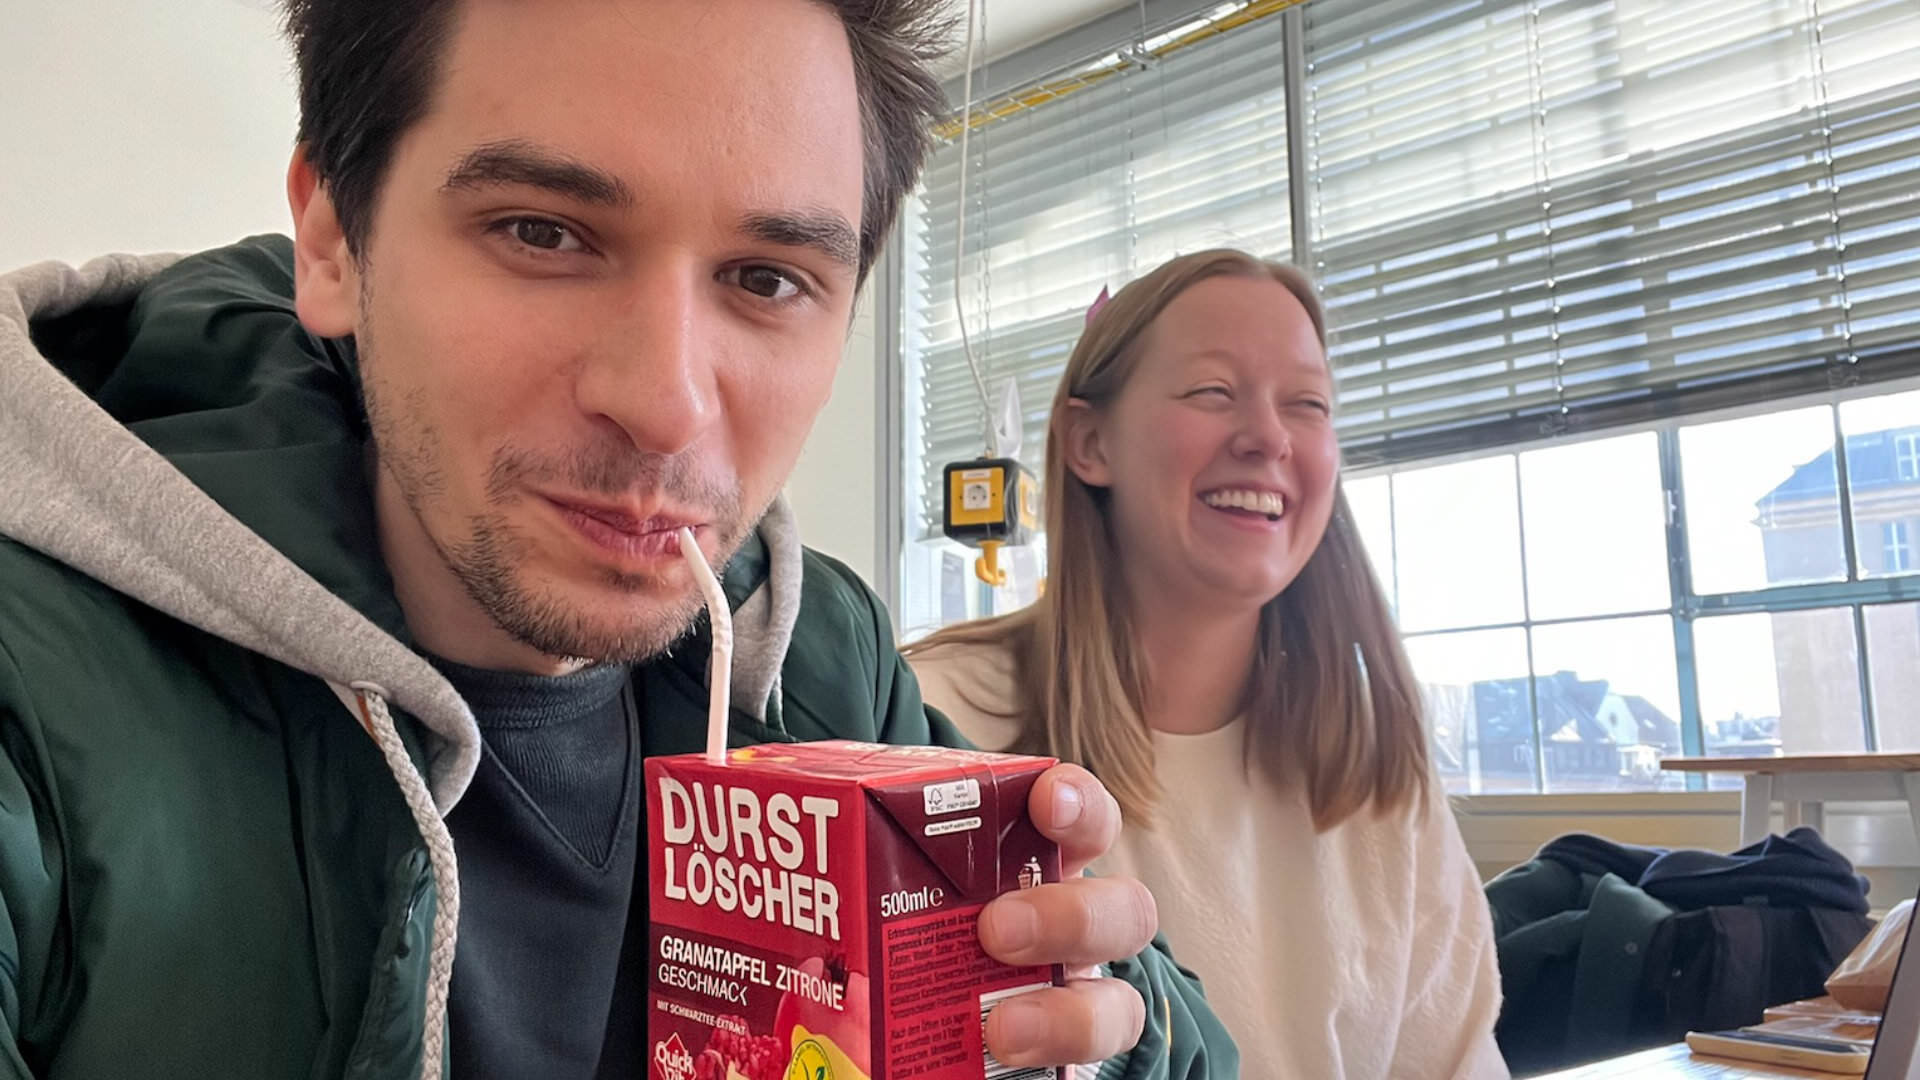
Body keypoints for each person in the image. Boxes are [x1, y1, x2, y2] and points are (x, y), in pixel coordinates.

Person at [0, 1, 1240, 1076]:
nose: (664, 402)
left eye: (765, 279)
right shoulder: (36, 708)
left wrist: (1064, 1038)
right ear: (333, 239)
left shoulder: (811, 655)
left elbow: (1169, 1035)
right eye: (543, 233)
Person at [906, 249, 1508, 1079]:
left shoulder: (1375, 760)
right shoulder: (937, 727)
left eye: (1308, 404)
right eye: (1213, 393)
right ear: (1090, 442)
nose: (1268, 439)